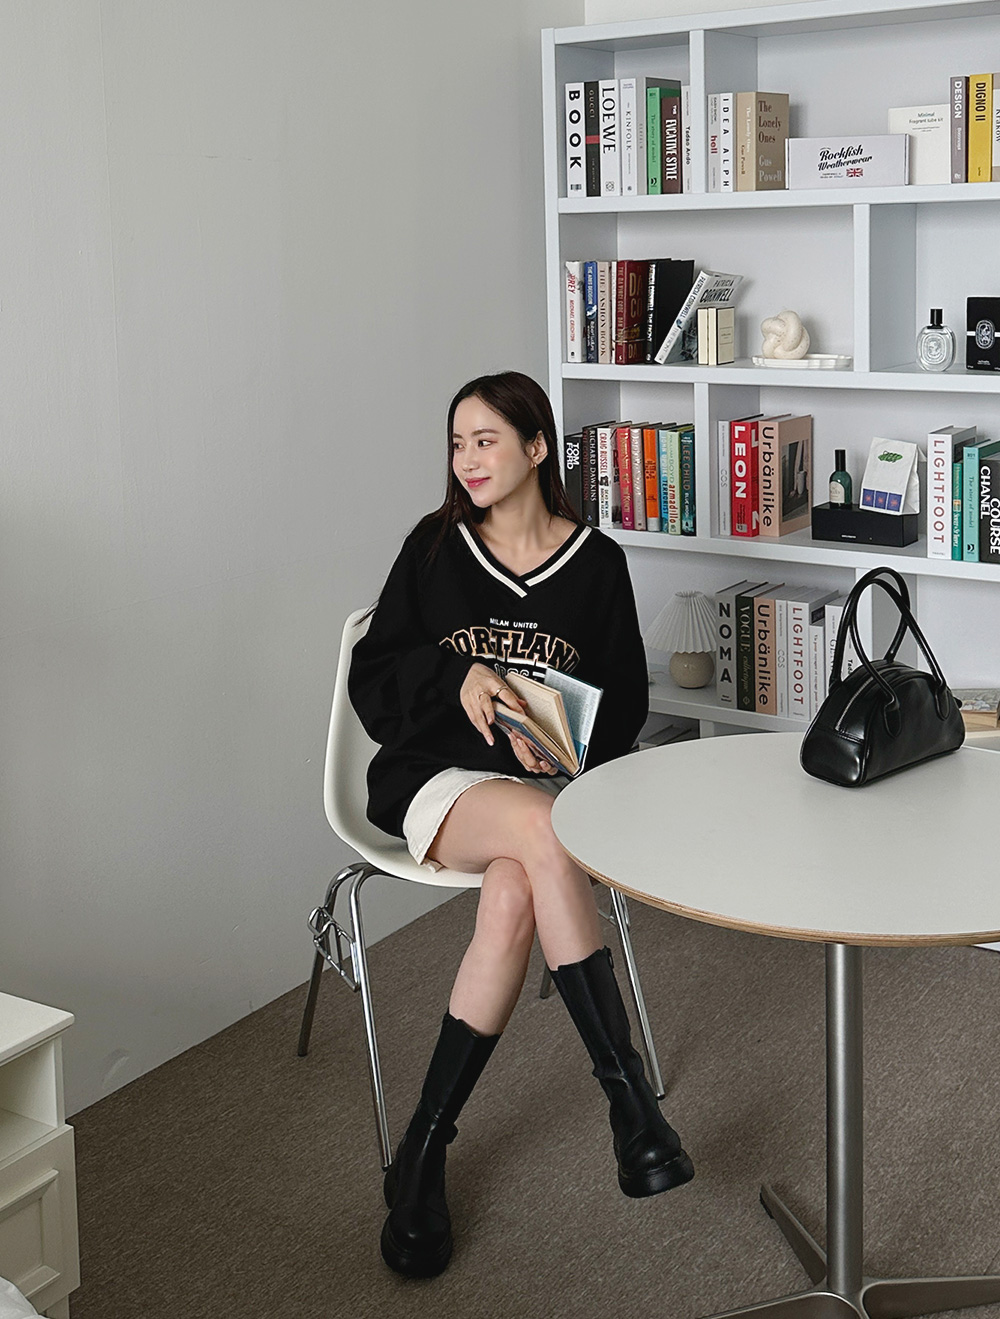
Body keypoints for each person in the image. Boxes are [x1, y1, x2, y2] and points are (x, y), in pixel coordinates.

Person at [348, 371, 693, 1279]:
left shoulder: (598, 563)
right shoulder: (434, 550)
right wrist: (455, 676)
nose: (467, 460)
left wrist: (564, 739)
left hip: (542, 791)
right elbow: (373, 679)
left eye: (486, 440)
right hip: (436, 780)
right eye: (457, 444)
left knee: (513, 893)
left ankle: (422, 1150)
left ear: (537, 447)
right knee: (543, 836)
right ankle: (631, 1105)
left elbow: (623, 706)